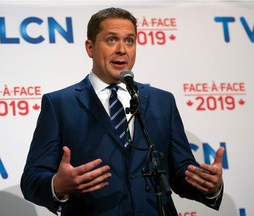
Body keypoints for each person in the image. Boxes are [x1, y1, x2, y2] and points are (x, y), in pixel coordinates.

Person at [21, 7, 224, 216]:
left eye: (129, 41)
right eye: (111, 40)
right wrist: (57, 185)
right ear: (90, 48)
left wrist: (208, 186)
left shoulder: (162, 101)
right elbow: (31, 179)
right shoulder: (60, 104)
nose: (122, 49)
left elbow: (182, 173)